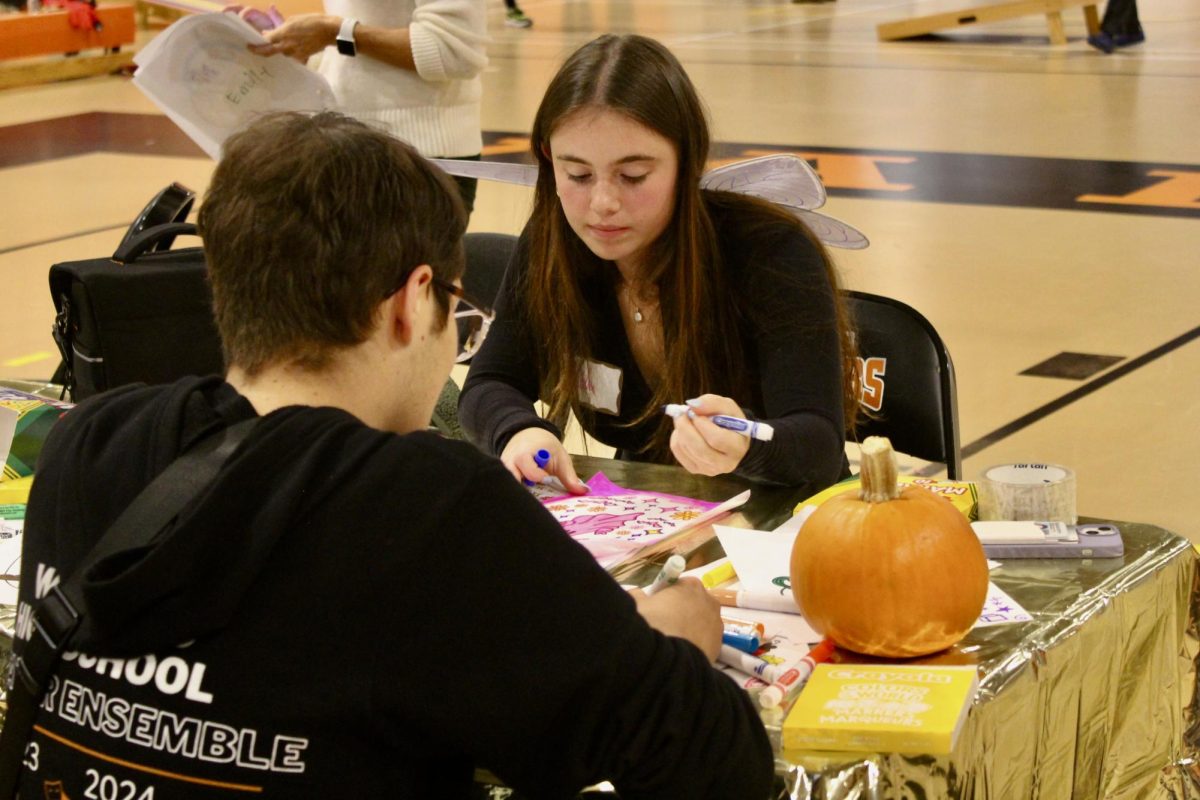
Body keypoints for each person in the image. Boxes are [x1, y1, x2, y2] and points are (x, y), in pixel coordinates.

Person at [10, 112, 774, 798]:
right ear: (413, 301)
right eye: (457, 311)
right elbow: (712, 758)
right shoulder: (426, 509)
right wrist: (675, 634)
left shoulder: (86, 444)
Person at [459, 33, 860, 494]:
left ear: (687, 163)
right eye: (577, 175)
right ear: (549, 162)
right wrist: (518, 431)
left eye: (633, 176)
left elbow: (818, 446)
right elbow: (492, 381)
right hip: (649, 512)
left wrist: (748, 445)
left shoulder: (770, 250)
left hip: (783, 520)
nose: (602, 203)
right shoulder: (555, 242)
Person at [248, 0, 487, 211]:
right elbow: (353, 47)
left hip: (418, 158)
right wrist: (289, 41)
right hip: (350, 147)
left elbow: (454, 52)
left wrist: (335, 33)